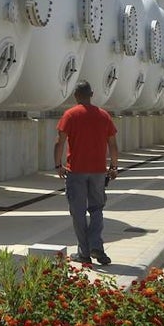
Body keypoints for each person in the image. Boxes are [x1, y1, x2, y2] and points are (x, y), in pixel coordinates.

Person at [54, 80, 120, 266]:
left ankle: (84, 251)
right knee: (97, 209)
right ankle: (96, 246)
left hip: (76, 171)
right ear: (92, 94)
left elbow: (60, 142)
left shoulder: (70, 115)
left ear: (75, 96)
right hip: (99, 172)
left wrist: (58, 165)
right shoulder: (104, 116)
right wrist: (114, 167)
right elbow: (113, 144)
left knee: (78, 212)